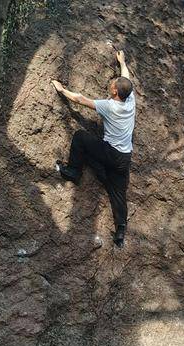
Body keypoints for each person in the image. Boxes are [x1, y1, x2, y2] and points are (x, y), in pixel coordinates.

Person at [51, 50, 135, 248]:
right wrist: (122, 61)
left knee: (81, 137)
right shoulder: (130, 100)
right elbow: (126, 78)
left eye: (113, 84)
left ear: (115, 92)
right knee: (118, 193)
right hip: (125, 157)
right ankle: (121, 230)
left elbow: (80, 100)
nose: (112, 84)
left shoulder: (109, 106)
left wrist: (62, 90)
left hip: (111, 153)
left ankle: (73, 171)